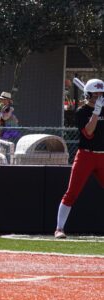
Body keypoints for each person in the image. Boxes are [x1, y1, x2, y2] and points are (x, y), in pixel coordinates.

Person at [55, 79, 104, 239]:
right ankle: (59, 228)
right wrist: (96, 112)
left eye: (101, 94)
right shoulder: (81, 112)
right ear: (88, 94)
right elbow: (89, 133)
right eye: (95, 94)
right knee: (72, 192)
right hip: (86, 156)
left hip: (102, 156)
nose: (98, 97)